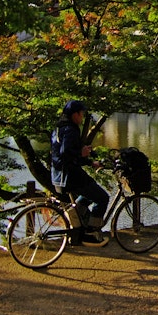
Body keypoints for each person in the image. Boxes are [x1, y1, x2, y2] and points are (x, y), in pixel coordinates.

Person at [50, 100, 110, 246]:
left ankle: (77, 225)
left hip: (58, 176)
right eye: (81, 114)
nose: (82, 118)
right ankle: (90, 233)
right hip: (69, 175)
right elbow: (67, 154)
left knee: (88, 194)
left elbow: (66, 155)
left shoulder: (59, 128)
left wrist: (90, 162)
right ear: (75, 114)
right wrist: (81, 153)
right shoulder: (71, 129)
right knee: (102, 198)